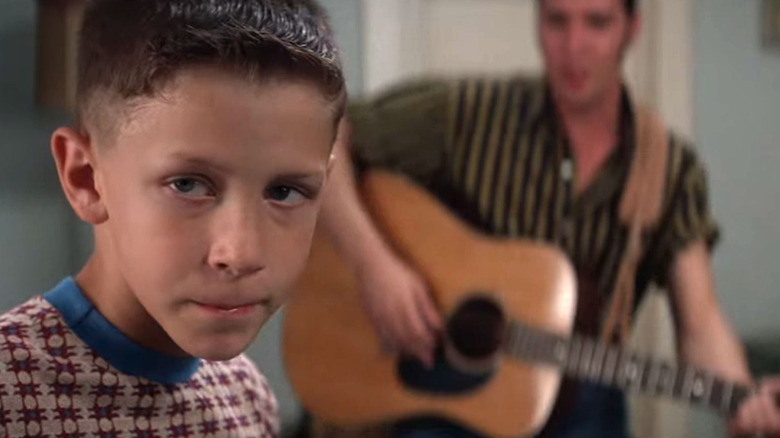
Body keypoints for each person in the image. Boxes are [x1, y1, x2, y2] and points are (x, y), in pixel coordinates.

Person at [319, 0, 780, 436]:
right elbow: (328, 130)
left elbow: (700, 325)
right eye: (558, 21)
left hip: (584, 399)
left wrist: (739, 394)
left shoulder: (668, 169)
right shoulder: (468, 115)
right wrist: (374, 267)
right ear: (539, 23)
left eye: (597, 22)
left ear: (630, 31)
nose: (574, 45)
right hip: (446, 392)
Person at [0, 0, 345, 436]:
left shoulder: (247, 396)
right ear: (86, 178)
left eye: (284, 192)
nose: (240, 253)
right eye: (188, 184)